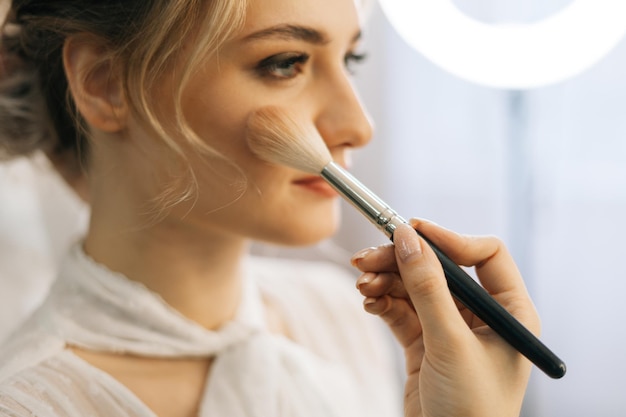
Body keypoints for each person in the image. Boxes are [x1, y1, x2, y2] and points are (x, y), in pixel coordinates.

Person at [0, 0, 540, 416]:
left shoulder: (340, 317)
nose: (357, 125)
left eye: (350, 58)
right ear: (104, 84)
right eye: (286, 63)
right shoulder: (32, 402)